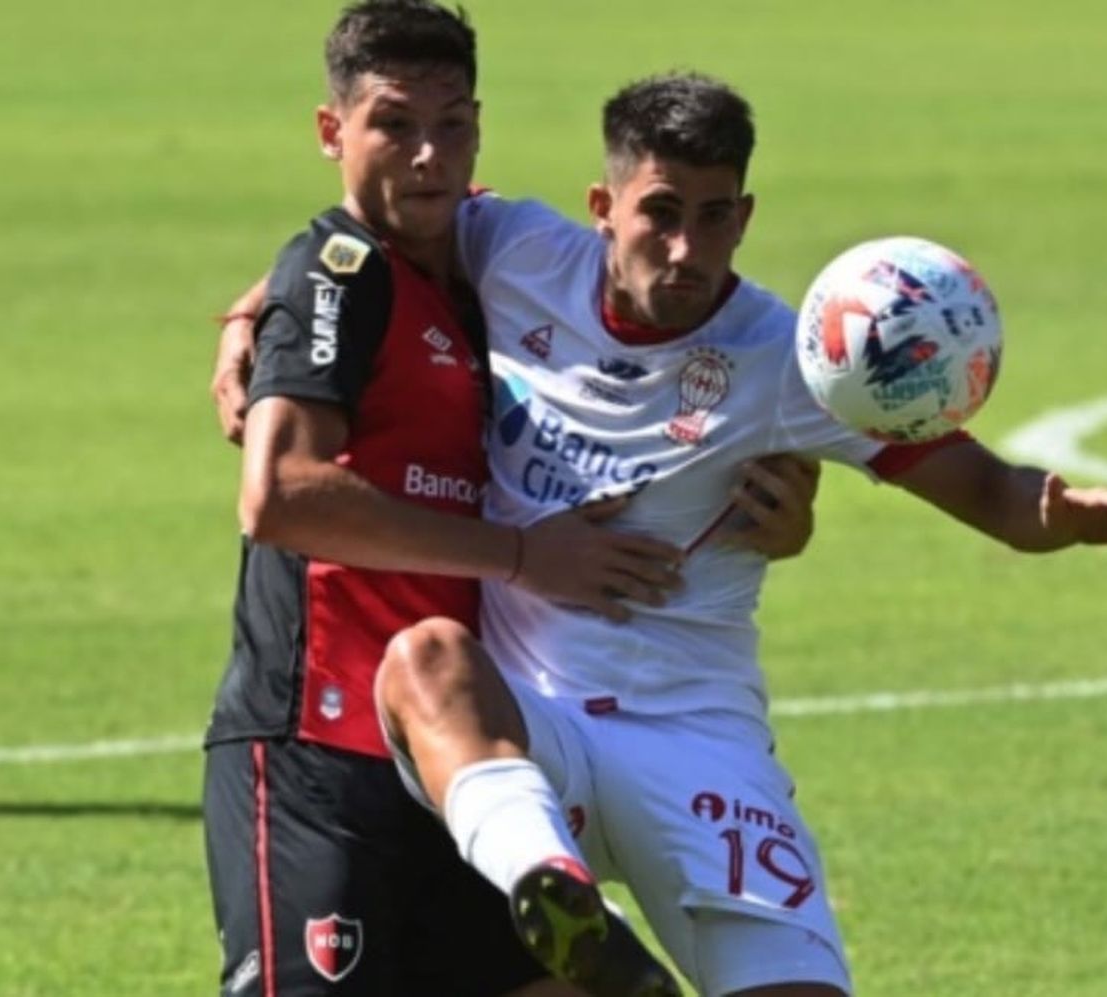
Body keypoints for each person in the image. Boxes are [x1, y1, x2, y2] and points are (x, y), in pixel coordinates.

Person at [367, 72, 1107, 997]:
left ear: (744, 218)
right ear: (602, 205)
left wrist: (1065, 514)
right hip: (540, 731)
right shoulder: (510, 247)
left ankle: (582, 924)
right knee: (426, 659)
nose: (686, 249)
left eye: (714, 218)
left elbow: (989, 489)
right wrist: (256, 313)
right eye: (660, 213)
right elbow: (370, 233)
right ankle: (552, 891)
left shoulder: (794, 364)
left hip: (695, 739)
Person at [202, 5, 813, 995]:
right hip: (322, 746)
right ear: (333, 132)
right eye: (395, 125)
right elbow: (277, 494)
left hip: (463, 753)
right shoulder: (337, 275)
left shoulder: (491, 265)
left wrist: (785, 511)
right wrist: (524, 555)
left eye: (451, 125)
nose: (429, 155)